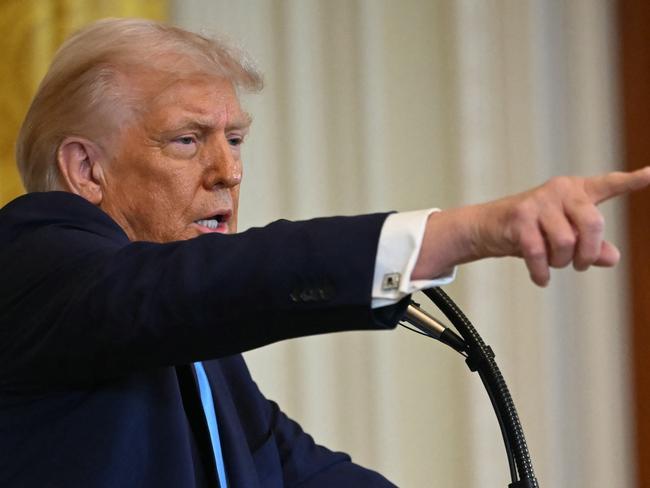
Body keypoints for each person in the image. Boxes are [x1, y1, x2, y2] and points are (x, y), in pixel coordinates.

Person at [0, 18, 648, 488]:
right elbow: (201, 286)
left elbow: (296, 470)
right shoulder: (33, 262)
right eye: (188, 140)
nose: (229, 171)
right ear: (86, 170)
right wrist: (469, 232)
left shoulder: (195, 341)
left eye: (235, 139)